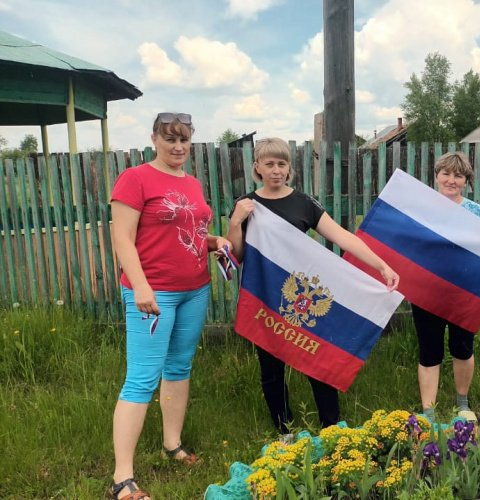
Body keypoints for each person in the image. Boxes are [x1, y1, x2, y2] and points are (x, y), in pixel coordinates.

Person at [225, 137, 399, 434]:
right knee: (271, 368)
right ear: (257, 167)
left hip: (302, 295)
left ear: (289, 168)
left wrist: (381, 264)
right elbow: (236, 256)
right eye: (269, 164)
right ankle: (285, 431)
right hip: (267, 297)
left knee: (318, 359)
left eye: (282, 164)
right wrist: (235, 222)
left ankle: (331, 428)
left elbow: (342, 237)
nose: (276, 170)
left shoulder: (303, 203)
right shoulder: (246, 204)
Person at [108, 112, 232, 500]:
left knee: (179, 367)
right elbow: (123, 239)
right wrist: (141, 287)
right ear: (154, 140)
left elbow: (189, 229)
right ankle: (122, 478)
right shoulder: (135, 178)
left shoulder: (191, 182)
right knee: (142, 377)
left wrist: (214, 242)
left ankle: (172, 444)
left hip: (195, 289)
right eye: (170, 139)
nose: (178, 147)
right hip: (152, 294)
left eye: (184, 140)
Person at [413, 152, 480, 423]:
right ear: (436, 177)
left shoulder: (476, 212)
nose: (451, 179)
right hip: (427, 293)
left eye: (458, 175)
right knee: (429, 350)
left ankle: (462, 404)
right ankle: (429, 412)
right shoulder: (420, 209)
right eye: (446, 173)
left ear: (465, 181)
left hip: (463, 293)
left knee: (463, 348)